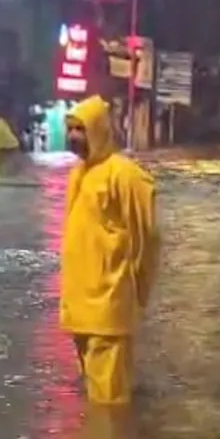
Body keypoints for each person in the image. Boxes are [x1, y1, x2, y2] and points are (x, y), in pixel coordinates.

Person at [60, 95, 160, 405]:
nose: (74, 137)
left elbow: (147, 236)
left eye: (81, 129)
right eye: (71, 129)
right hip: (79, 307)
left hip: (109, 305)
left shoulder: (126, 176)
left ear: (99, 130)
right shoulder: (79, 174)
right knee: (95, 396)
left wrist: (141, 288)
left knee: (110, 403)